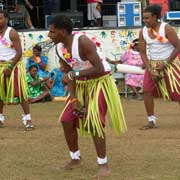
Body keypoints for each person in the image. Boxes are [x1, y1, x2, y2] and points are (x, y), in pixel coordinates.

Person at [48, 15, 127, 177]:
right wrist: (75, 98)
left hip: (100, 82)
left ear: (63, 32)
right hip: (81, 84)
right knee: (66, 120)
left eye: (52, 32)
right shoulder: (58, 48)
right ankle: (75, 158)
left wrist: (73, 74)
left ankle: (103, 164)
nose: (49, 35)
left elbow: (98, 68)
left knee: (94, 122)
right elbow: (69, 73)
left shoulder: (82, 42)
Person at [139, 4, 180, 130]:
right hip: (153, 65)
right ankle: (151, 121)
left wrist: (166, 63)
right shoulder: (143, 31)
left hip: (170, 64)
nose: (144, 21)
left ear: (155, 17)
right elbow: (142, 52)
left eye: (147, 18)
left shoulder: (166, 28)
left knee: (177, 93)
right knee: (146, 91)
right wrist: (149, 68)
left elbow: (178, 47)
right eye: (143, 18)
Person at [0, 10, 33, 129]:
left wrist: (10, 66)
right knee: (0, 94)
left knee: (21, 93)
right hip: (1, 67)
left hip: (13, 66)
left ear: (6, 19)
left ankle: (28, 119)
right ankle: (0, 119)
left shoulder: (11, 32)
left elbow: (19, 52)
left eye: (1, 18)